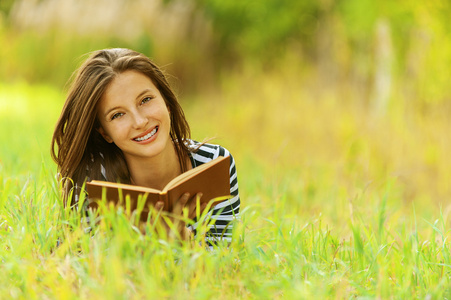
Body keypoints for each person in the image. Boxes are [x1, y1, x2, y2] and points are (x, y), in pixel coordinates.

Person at [51, 48, 240, 243]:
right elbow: (78, 263)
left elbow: (224, 265)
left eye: (145, 100)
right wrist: (142, 243)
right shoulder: (93, 182)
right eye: (117, 115)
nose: (140, 121)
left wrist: (182, 239)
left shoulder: (214, 163)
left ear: (166, 100)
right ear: (104, 132)